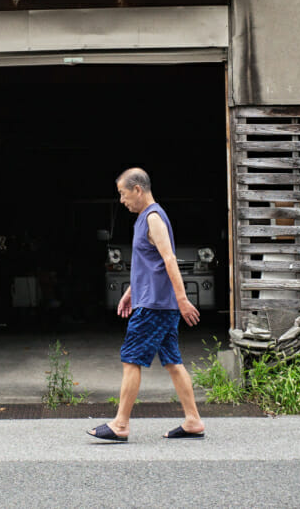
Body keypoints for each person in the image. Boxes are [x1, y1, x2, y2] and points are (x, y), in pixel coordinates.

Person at [87, 167, 206, 442]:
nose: (121, 199)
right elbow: (149, 265)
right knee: (173, 362)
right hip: (153, 302)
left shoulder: (153, 218)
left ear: (137, 189)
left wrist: (183, 300)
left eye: (123, 193)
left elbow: (169, 260)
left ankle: (120, 424)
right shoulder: (143, 219)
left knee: (131, 360)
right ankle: (193, 420)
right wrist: (131, 291)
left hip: (154, 307)